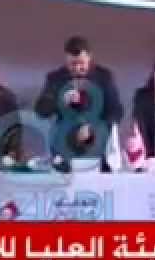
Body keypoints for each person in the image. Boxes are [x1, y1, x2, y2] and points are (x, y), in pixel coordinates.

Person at [34, 36, 124, 172]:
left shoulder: (104, 77)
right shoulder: (56, 79)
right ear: (66, 60)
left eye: (81, 63)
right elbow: (40, 111)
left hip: (98, 145)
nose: (77, 68)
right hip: (64, 145)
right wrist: (60, 100)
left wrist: (93, 128)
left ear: (89, 57)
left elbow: (116, 111)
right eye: (72, 64)